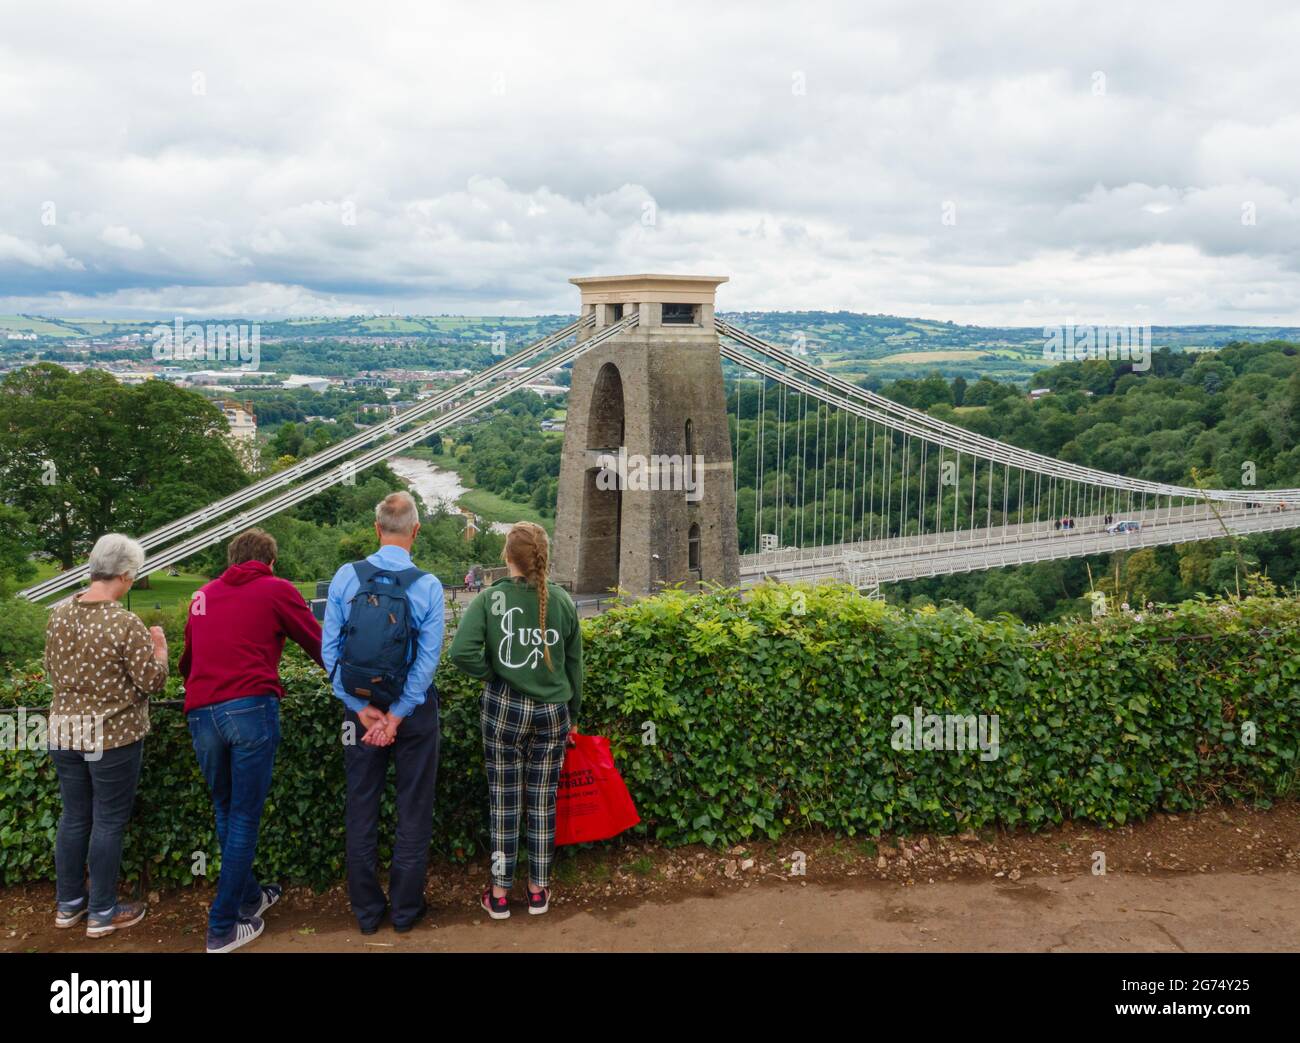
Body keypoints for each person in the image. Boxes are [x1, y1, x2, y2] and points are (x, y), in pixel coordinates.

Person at [179, 527, 325, 954]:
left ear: (231, 560)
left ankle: (250, 897)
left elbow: (188, 661)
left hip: (201, 711)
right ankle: (222, 926)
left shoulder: (201, 596)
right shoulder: (276, 589)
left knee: (226, 809)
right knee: (244, 816)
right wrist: (354, 689)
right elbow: (318, 645)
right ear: (271, 561)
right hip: (249, 708)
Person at [322, 492, 444, 934]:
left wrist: (362, 709)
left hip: (358, 716)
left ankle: (368, 914)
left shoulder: (344, 578)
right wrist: (397, 715)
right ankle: (407, 912)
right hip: (414, 716)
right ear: (416, 530)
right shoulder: (428, 585)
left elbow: (330, 653)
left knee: (361, 806)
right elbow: (428, 661)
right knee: (413, 808)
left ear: (376, 528)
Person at [449, 521, 582, 919]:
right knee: (542, 803)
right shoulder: (561, 601)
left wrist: (496, 675)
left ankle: (500, 893)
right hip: (553, 711)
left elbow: (461, 653)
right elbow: (575, 667)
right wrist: (572, 715)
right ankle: (539, 891)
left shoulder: (490, 599)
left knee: (503, 804)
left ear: (507, 557)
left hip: (504, 708)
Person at [43, 533, 168, 938]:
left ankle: (69, 904)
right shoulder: (124, 621)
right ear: (127, 575)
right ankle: (101, 911)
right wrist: (160, 650)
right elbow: (151, 681)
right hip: (111, 736)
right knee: (109, 821)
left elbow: (51, 669)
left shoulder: (58, 614)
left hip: (64, 730)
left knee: (74, 816)